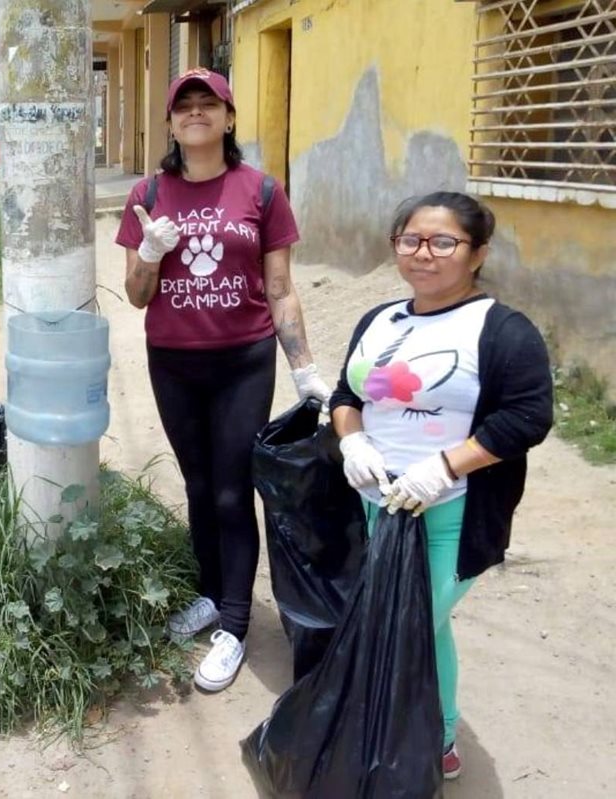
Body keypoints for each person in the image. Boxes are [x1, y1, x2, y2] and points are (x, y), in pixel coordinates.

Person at [116, 67, 332, 693]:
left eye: (209, 103)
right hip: (174, 360)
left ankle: (234, 626)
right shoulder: (146, 195)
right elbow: (136, 295)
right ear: (171, 123)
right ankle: (211, 596)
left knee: (235, 489)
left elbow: (281, 288)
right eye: (184, 105)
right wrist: (151, 252)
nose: (196, 113)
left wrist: (306, 371)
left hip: (243, 358)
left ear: (229, 119)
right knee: (199, 484)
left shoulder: (261, 191)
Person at [330, 191, 553, 780]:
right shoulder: (378, 320)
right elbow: (346, 396)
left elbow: (528, 417)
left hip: (453, 511)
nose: (423, 254)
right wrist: (351, 440)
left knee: (403, 626)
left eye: (443, 242)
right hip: (382, 505)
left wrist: (446, 467)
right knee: (426, 627)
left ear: (477, 253)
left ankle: (382, 734)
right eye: (410, 240)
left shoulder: (501, 330)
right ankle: (441, 733)